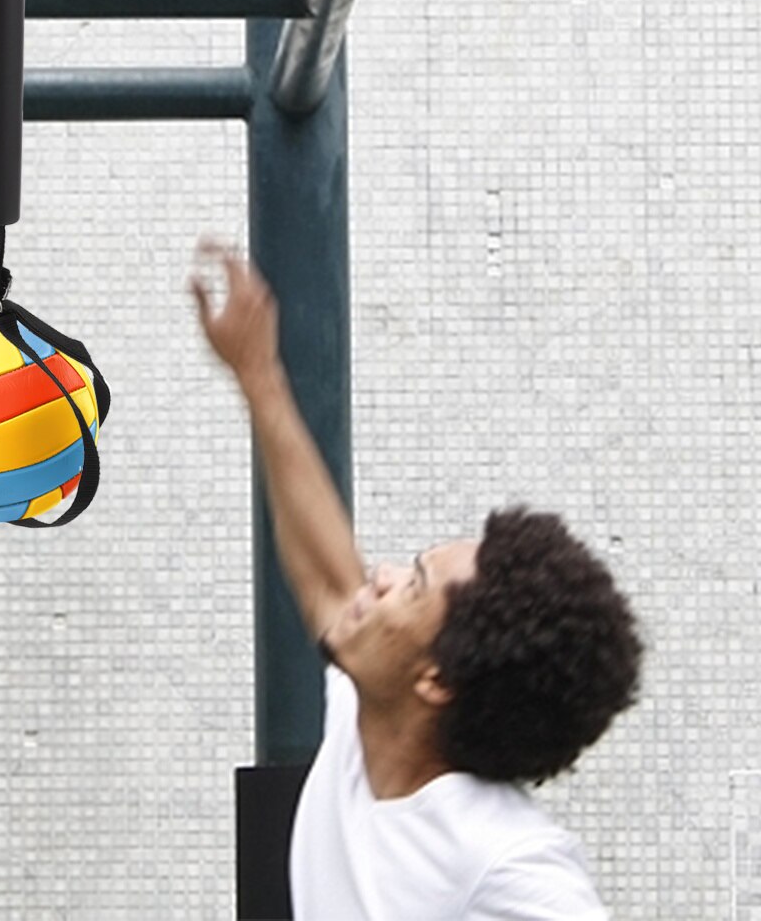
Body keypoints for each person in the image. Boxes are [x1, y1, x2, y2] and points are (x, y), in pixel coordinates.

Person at [190, 246, 643, 919]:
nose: (382, 577)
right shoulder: (365, 716)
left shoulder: (506, 859)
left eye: (415, 585)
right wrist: (258, 374)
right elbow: (326, 571)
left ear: (434, 679)